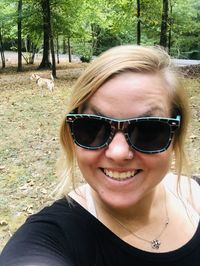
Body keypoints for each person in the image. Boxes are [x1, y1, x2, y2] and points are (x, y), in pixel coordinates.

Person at [1, 45, 200, 266]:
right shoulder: (49, 237)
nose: (118, 153)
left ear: (176, 136)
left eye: (149, 130)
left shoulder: (196, 197)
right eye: (92, 128)